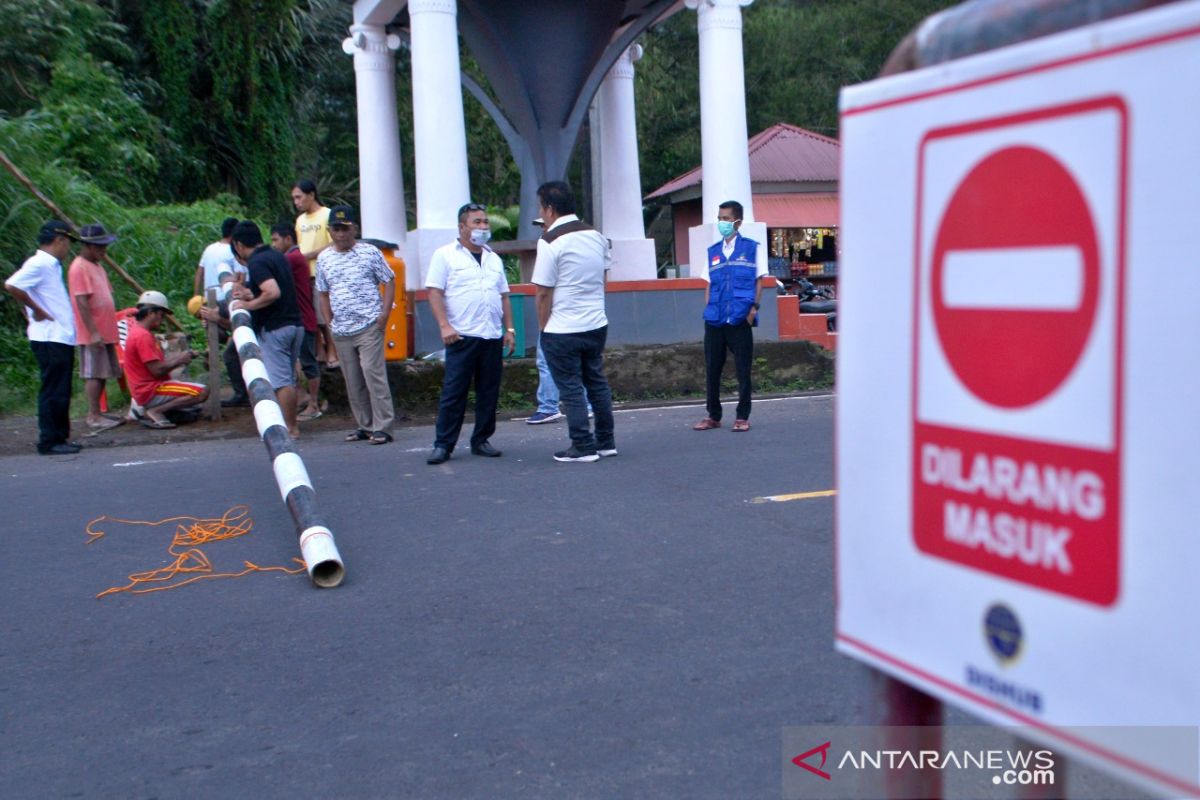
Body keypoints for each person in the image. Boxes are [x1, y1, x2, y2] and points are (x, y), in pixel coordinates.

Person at [531, 181, 617, 463]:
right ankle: (606, 442)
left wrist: (543, 327)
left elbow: (543, 292)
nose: (541, 213)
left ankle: (582, 445)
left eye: (541, 208)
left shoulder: (550, 240)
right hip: (595, 324)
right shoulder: (596, 235)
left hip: (562, 328)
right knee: (596, 382)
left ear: (550, 208)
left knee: (570, 387)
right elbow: (603, 278)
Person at [424, 202, 516, 465]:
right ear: (462, 227)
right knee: (454, 392)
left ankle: (481, 440)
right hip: (461, 335)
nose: (483, 227)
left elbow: (504, 296)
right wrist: (444, 325)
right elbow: (434, 292)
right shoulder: (445, 255)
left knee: (489, 391)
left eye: (485, 222)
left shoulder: (493, 258)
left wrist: (508, 330)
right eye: (477, 222)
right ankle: (444, 444)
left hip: (490, 335)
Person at [315, 205, 396, 445]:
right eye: (336, 229)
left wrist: (384, 315)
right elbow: (323, 292)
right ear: (330, 231)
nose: (341, 234)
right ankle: (365, 424)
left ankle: (384, 426)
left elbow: (389, 280)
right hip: (341, 328)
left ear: (355, 229)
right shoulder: (324, 258)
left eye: (345, 229)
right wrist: (329, 322)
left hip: (370, 323)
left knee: (373, 374)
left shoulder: (369, 253)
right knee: (353, 379)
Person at [4, 220, 80, 455]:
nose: (68, 249)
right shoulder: (39, 263)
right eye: (67, 243)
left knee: (61, 387)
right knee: (53, 389)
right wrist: (36, 310)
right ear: (59, 240)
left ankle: (60, 436)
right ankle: (49, 440)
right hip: (50, 336)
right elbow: (12, 285)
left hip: (59, 336)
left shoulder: (51, 265)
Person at [692, 200, 767, 433]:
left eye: (726, 218)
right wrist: (709, 308)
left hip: (739, 318)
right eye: (720, 218)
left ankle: (742, 416)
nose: (722, 223)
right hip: (715, 320)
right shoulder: (713, 251)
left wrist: (753, 309)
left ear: (738, 222)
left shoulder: (752, 248)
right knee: (712, 369)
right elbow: (708, 283)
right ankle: (713, 415)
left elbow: (759, 281)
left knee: (743, 369)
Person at [229, 221, 305, 438]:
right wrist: (250, 294)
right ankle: (291, 423)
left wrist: (247, 305)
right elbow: (271, 289)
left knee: (281, 382)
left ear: (239, 245)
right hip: (294, 324)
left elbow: (272, 292)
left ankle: (290, 428)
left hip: (276, 328)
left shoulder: (257, 262)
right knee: (287, 377)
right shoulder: (275, 255)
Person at [123, 291, 209, 429]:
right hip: (151, 390)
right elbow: (157, 370)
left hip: (146, 389)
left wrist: (184, 356)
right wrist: (180, 359)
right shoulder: (142, 336)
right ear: (151, 313)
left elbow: (156, 364)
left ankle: (160, 409)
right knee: (202, 391)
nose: (162, 319)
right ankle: (156, 411)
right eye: (161, 315)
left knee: (192, 399)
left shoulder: (139, 332)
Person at [68, 223, 124, 433]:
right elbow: (81, 301)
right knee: (93, 373)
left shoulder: (97, 266)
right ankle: (93, 414)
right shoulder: (79, 267)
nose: (103, 250)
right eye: (99, 246)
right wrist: (92, 331)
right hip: (93, 331)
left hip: (104, 328)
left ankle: (98, 413)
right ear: (88, 246)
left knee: (102, 372)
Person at [270, 223, 322, 420]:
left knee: (308, 362)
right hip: (300, 317)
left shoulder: (290, 258)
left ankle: (314, 404)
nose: (273, 244)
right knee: (301, 362)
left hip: (302, 318)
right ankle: (305, 399)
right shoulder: (295, 258)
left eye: (276, 239)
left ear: (288, 239)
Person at [292, 179, 336, 368]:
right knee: (311, 316)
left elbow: (333, 242)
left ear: (311, 195)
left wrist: (310, 255)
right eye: (294, 198)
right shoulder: (300, 220)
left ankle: (333, 351)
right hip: (304, 274)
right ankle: (320, 351)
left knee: (325, 315)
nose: (296, 202)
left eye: (299, 197)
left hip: (323, 273)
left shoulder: (327, 215)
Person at [194, 217, 240, 296]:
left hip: (209, 295)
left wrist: (196, 295)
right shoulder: (234, 251)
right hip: (226, 296)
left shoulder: (209, 248)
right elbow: (239, 276)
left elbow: (199, 273)